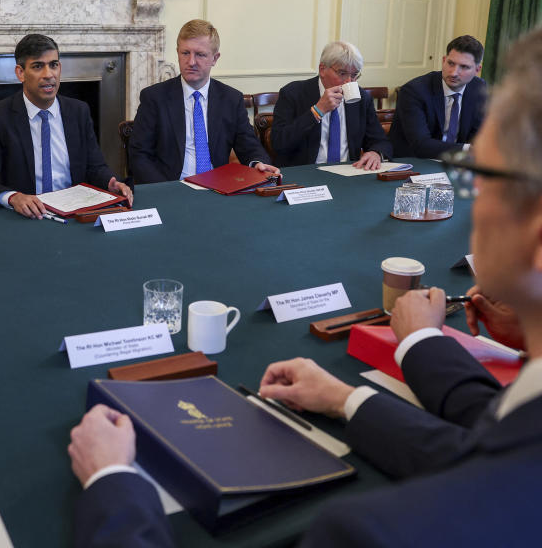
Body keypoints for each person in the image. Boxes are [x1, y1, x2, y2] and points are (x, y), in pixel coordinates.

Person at [68, 28, 542, 547]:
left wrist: (111, 479)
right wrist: (349, 394)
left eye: (477, 178)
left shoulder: (360, 532)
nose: (463, 197)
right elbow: (480, 437)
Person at [0, 34, 133, 218]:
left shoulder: (78, 111)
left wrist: (110, 182)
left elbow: (94, 167)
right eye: (38, 66)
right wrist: (14, 197)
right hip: (26, 217)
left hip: (74, 214)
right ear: (20, 73)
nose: (48, 74)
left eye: (53, 65)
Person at [127, 19, 279, 184]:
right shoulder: (154, 98)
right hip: (170, 187)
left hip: (217, 189)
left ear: (215, 58)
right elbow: (139, 155)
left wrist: (258, 164)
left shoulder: (230, 99)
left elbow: (249, 146)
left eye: (200, 54)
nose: (191, 62)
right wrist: (166, 190)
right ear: (177, 52)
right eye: (185, 53)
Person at [271, 41, 392, 168]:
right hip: (306, 173)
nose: (349, 81)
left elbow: (380, 141)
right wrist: (317, 111)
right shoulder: (293, 93)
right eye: (342, 73)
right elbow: (279, 143)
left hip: (349, 172)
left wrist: (376, 153)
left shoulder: (361, 98)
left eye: (354, 75)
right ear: (322, 69)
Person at [389, 35, 487, 158]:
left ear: (477, 69)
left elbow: (478, 134)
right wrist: (467, 149)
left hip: (455, 163)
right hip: (413, 163)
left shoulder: (479, 89)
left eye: (464, 67)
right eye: (451, 63)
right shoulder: (414, 91)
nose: (454, 73)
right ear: (443, 60)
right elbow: (421, 144)